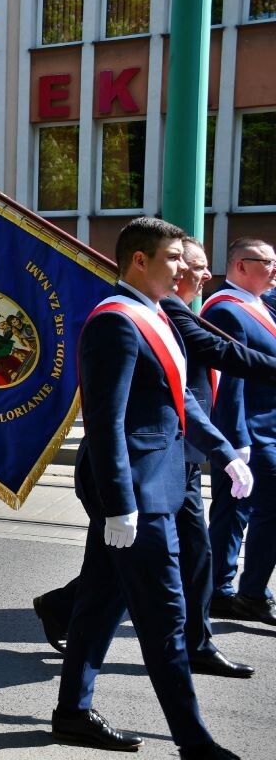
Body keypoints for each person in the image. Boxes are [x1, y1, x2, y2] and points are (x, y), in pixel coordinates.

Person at [51, 218, 247, 759]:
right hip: (139, 494)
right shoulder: (116, 321)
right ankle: (194, 743)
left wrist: (225, 453)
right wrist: (121, 505)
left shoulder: (156, 314)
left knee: (98, 603)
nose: (183, 267)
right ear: (140, 260)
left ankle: (72, 713)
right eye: (173, 257)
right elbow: (106, 422)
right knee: (166, 619)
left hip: (158, 485)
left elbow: (180, 402)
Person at [32, 236, 269, 678]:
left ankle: (189, 646)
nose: (200, 274)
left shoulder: (169, 309)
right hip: (145, 466)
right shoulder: (153, 311)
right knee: (126, 574)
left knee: (184, 558)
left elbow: (187, 395)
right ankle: (152, 665)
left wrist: (221, 448)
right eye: (187, 263)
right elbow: (220, 354)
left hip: (179, 455)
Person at [201, 237, 276, 627]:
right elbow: (229, 380)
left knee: (235, 510)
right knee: (260, 508)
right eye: (267, 262)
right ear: (240, 265)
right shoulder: (226, 309)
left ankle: (221, 588)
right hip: (251, 432)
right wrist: (237, 440)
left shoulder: (260, 303)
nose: (274, 270)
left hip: (268, 427)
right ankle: (250, 593)